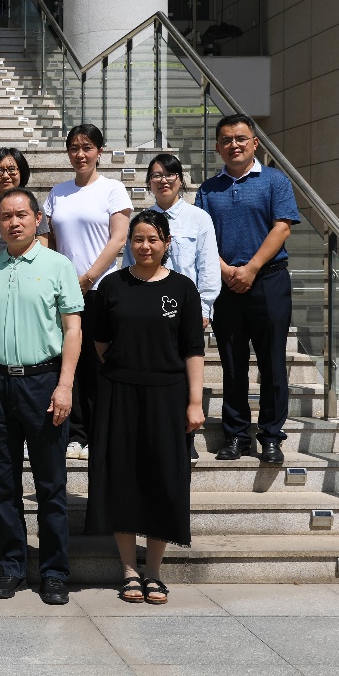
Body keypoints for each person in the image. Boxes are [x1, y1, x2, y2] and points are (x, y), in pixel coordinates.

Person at [0, 187, 83, 605]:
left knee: (50, 484)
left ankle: (54, 572)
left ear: (38, 219)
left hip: (43, 382)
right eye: (6, 216)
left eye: (21, 215)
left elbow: (73, 329)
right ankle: (11, 567)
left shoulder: (58, 266)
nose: (14, 222)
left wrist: (65, 385)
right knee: (2, 483)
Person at [87, 211, 206, 605]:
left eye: (153, 239)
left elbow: (193, 349)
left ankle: (153, 571)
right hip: (119, 392)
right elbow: (100, 342)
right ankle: (128, 570)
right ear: (129, 243)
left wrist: (194, 401)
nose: (145, 246)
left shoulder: (183, 289)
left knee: (163, 478)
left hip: (167, 394)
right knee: (122, 476)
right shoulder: (112, 286)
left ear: (167, 243)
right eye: (138, 239)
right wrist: (125, 368)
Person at [194, 114, 301, 465]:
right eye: (226, 140)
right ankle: (236, 435)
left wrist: (251, 268)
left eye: (241, 138)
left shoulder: (275, 180)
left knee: (272, 363)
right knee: (232, 363)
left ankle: (270, 436)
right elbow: (202, 238)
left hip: (268, 280)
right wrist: (227, 272)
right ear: (217, 147)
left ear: (255, 143)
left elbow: (282, 227)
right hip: (226, 285)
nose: (234, 145)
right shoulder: (208, 189)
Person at [41, 124, 131, 462]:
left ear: (99, 151)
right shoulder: (58, 192)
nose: (80, 154)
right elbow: (48, 238)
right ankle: (75, 433)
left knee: (96, 361)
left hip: (99, 289)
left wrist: (89, 277)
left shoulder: (113, 189)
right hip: (65, 291)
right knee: (70, 363)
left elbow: (118, 239)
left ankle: (98, 432)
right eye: (75, 148)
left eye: (87, 147)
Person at [123, 153, 220, 461]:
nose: (163, 180)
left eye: (169, 174)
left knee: (186, 373)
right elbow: (128, 264)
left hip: (187, 311)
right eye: (156, 175)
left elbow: (208, 266)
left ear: (180, 179)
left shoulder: (198, 218)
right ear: (149, 182)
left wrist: (204, 308)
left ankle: (185, 437)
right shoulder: (141, 220)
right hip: (148, 311)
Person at [0, 147, 48, 258]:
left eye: (11, 169)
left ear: (21, 172)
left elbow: (43, 250)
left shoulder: (34, 207)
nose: (5, 176)